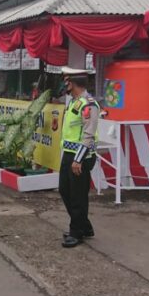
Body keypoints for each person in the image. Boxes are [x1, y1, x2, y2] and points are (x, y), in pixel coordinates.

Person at [58, 67, 100, 248]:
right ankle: (85, 226)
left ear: (72, 83)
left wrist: (78, 159)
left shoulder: (88, 105)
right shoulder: (74, 102)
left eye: (66, 81)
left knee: (77, 195)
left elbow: (88, 135)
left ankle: (77, 232)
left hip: (81, 157)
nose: (64, 85)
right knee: (64, 190)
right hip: (69, 155)